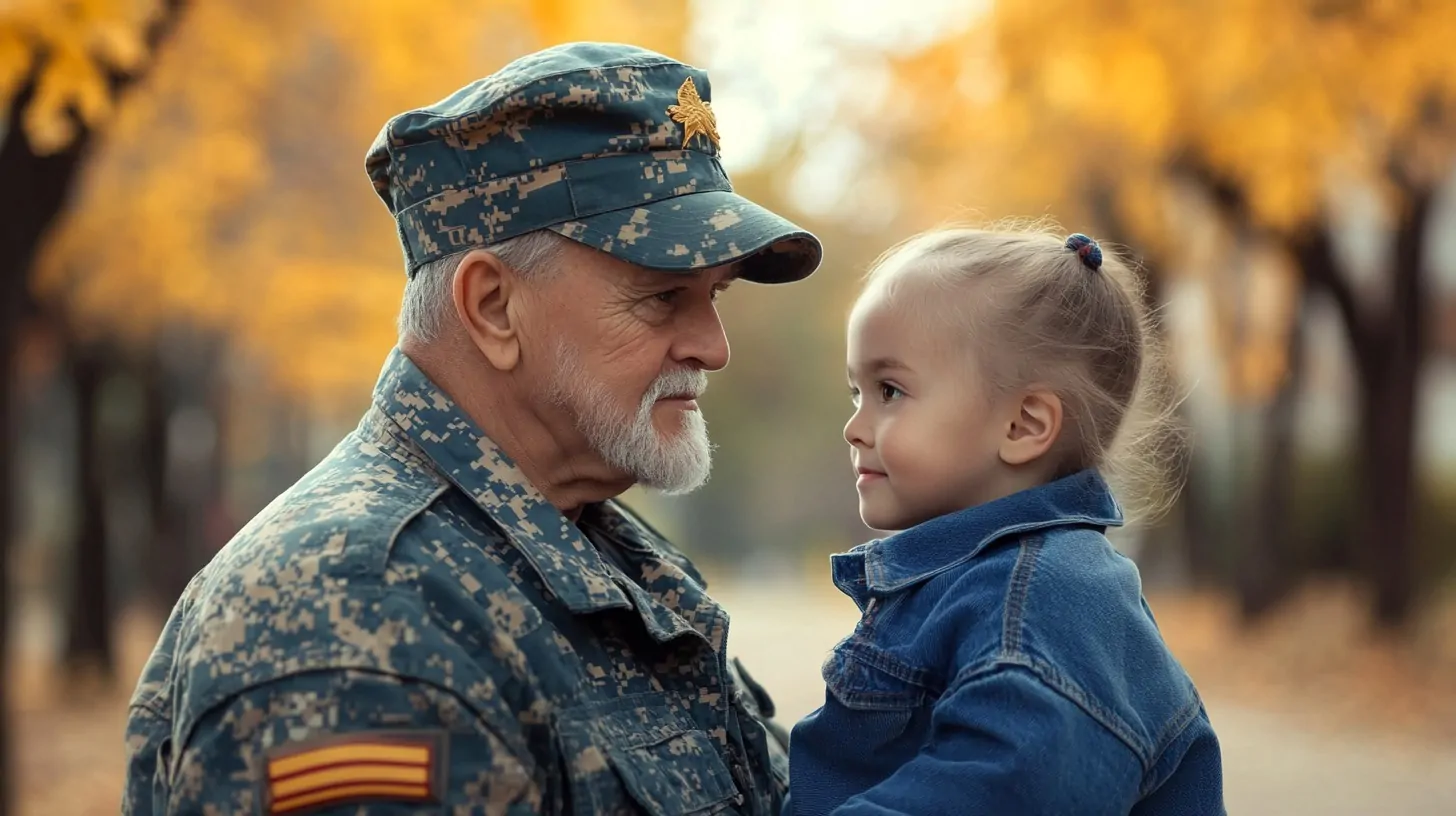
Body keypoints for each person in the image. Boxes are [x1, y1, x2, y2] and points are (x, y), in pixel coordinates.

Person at [122, 41, 821, 815]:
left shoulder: (596, 548)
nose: (713, 349)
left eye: (715, 295)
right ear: (492, 307)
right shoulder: (356, 621)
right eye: (662, 299)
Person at [785, 226, 1225, 815]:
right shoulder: (990, 580)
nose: (855, 426)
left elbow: (1001, 790)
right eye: (855, 393)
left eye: (889, 391)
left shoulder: (1042, 601)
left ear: (1023, 426)